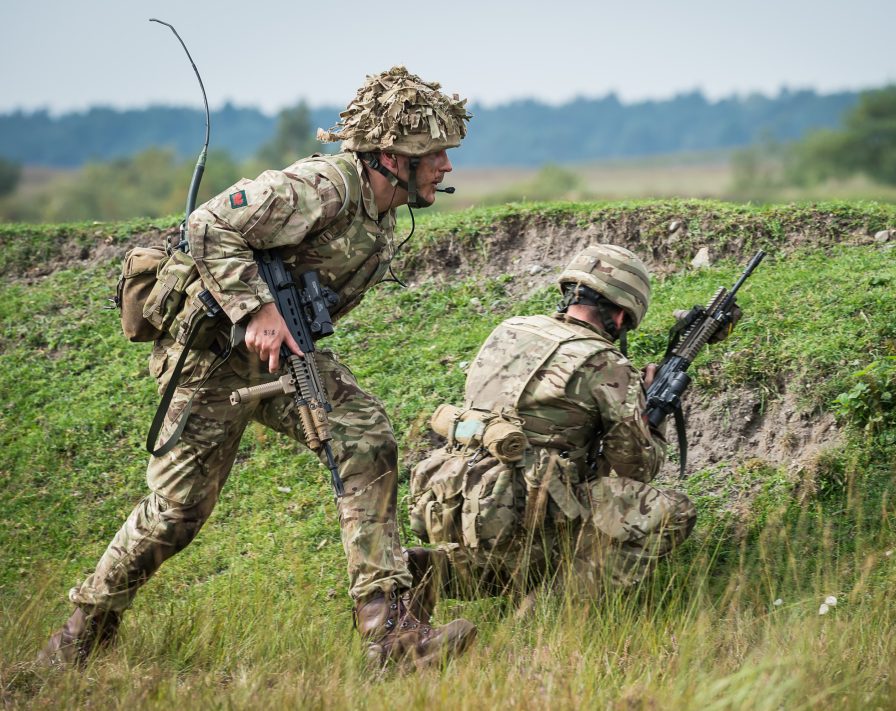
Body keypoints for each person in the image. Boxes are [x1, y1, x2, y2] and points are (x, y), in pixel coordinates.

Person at [39, 66, 476, 669]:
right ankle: (77, 639)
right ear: (390, 155)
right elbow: (209, 224)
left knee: (364, 436)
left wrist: (275, 322)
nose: (445, 166)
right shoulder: (320, 186)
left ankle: (391, 632)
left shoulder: (382, 208)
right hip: (213, 360)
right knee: (178, 510)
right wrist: (257, 310)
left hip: (285, 354)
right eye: (433, 153)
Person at [406, 244, 736, 601]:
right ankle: (548, 611)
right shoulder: (606, 363)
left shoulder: (509, 330)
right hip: (519, 512)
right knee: (673, 512)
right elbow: (634, 468)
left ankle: (441, 568)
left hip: (453, 501)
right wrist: (651, 416)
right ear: (622, 316)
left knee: (542, 512)